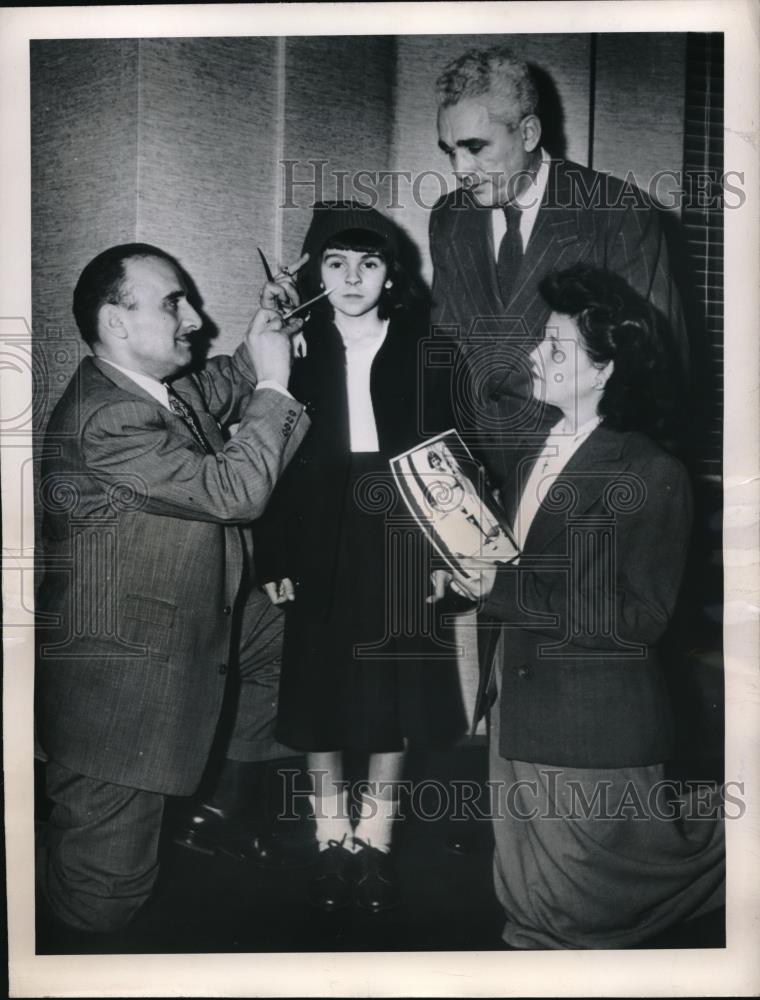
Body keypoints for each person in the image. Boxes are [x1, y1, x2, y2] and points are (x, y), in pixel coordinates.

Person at [432, 264, 725, 949]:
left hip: (590, 721)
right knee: (528, 902)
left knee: (589, 909)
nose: (536, 355)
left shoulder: (652, 472)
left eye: (557, 346)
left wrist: (497, 588)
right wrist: (465, 577)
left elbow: (638, 618)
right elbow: (517, 563)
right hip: (520, 703)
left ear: (606, 370)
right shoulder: (537, 448)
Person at [36, 242, 310, 933]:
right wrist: (275, 387)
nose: (194, 317)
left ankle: (215, 800)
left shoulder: (146, 390)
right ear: (117, 323)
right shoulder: (109, 418)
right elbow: (235, 491)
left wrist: (266, 329)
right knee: (102, 900)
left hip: (186, 618)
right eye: (173, 304)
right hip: (123, 684)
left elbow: (222, 381)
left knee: (287, 642)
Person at [254, 202, 465, 912]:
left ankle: (374, 840)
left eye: (368, 263)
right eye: (335, 263)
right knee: (318, 684)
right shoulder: (294, 346)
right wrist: (274, 553)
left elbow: (448, 454)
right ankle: (327, 835)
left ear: (390, 273)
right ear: (314, 272)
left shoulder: (424, 342)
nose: (351, 277)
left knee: (397, 686)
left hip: (403, 523)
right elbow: (274, 461)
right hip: (319, 529)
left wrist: (444, 551)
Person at [429, 44, 689, 488]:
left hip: (583, 479)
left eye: (475, 147)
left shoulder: (615, 211)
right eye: (450, 150)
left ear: (529, 134)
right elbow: (445, 344)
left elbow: (656, 368)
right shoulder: (449, 218)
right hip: (477, 477)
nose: (460, 168)